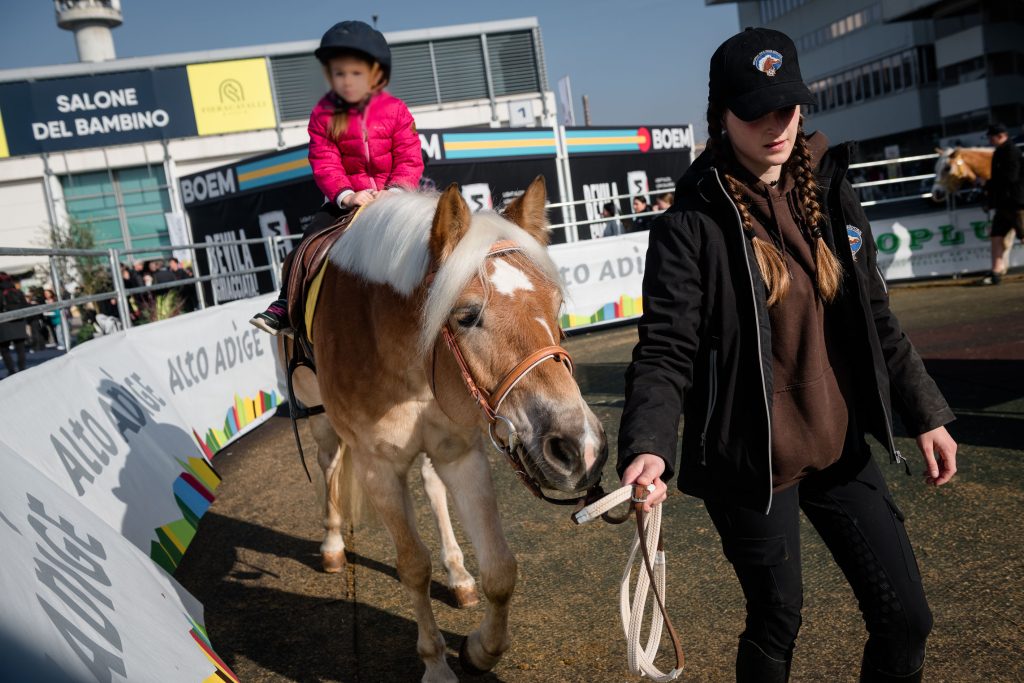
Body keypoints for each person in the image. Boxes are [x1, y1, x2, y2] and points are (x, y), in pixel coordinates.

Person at [617, 28, 957, 682]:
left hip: (839, 447)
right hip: (750, 460)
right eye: (754, 111)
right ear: (720, 115)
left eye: (788, 107)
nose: (776, 125)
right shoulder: (689, 223)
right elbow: (664, 350)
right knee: (778, 616)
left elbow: (875, 317)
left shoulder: (829, 190)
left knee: (907, 617)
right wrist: (650, 441)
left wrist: (927, 412)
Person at [250, 19, 423, 335]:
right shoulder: (322, 115)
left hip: (396, 197)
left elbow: (410, 158)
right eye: (340, 72)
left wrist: (396, 191)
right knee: (309, 244)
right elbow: (324, 161)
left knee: (440, 232)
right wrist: (347, 194)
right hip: (347, 201)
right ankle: (284, 305)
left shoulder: (397, 111)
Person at [980, 122, 1024, 285]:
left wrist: (988, 184)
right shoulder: (1001, 152)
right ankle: (996, 270)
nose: (990, 140)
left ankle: (996, 270)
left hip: (1015, 202)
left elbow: (1010, 178)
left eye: (991, 137)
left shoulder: (1011, 152)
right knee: (996, 236)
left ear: (1001, 136)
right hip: (1005, 203)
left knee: (1022, 234)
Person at [0, 272, 30, 376]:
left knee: (4, 350)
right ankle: (22, 369)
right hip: (18, 322)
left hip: (3, 325)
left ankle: (11, 371)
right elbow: (25, 306)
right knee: (20, 348)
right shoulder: (18, 292)